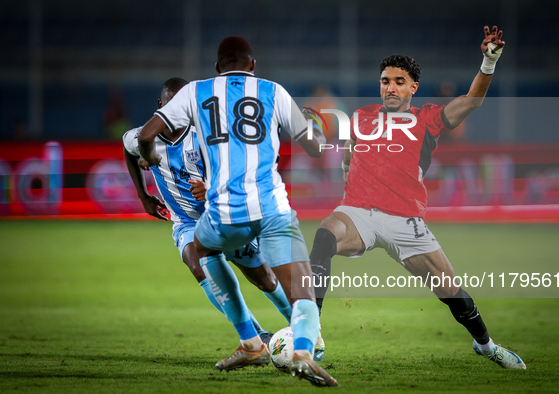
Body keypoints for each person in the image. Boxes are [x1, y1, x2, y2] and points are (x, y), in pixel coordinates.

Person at [310, 26, 526, 370]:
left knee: (453, 293)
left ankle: (486, 346)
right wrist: (351, 179)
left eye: (398, 81)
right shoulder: (361, 117)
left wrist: (488, 60)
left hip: (405, 221)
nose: (390, 87)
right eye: (385, 81)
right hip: (358, 212)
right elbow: (350, 158)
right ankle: (311, 330)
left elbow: (471, 102)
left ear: (413, 87)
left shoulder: (426, 118)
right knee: (323, 236)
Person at [137, 37, 338, 387]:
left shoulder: (195, 91)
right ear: (253, 65)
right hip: (273, 209)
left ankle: (249, 338)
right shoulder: (274, 91)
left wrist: (151, 157)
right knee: (302, 293)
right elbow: (316, 149)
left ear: (217, 67)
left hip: (223, 213)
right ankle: (304, 349)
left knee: (199, 252)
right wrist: (315, 125)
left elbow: (147, 135)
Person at [123, 77, 293, 344]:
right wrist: (143, 195)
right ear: (160, 106)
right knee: (199, 267)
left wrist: (211, 186)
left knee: (264, 280)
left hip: (224, 217)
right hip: (186, 223)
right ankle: (256, 335)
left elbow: (241, 171)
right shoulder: (143, 137)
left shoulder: (207, 137)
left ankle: (303, 326)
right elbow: (128, 149)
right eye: (172, 105)